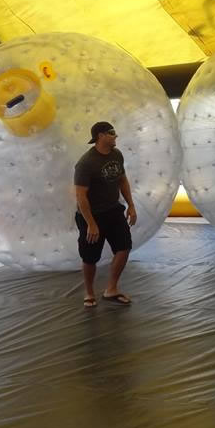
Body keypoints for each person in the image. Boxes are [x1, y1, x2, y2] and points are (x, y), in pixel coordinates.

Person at [74, 121, 138, 308]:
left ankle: (111, 289)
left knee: (124, 247)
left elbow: (122, 180)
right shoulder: (86, 163)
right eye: (111, 133)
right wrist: (91, 224)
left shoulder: (117, 155)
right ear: (100, 136)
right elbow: (81, 196)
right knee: (90, 258)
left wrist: (131, 205)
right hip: (91, 215)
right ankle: (89, 292)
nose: (115, 136)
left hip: (113, 210)